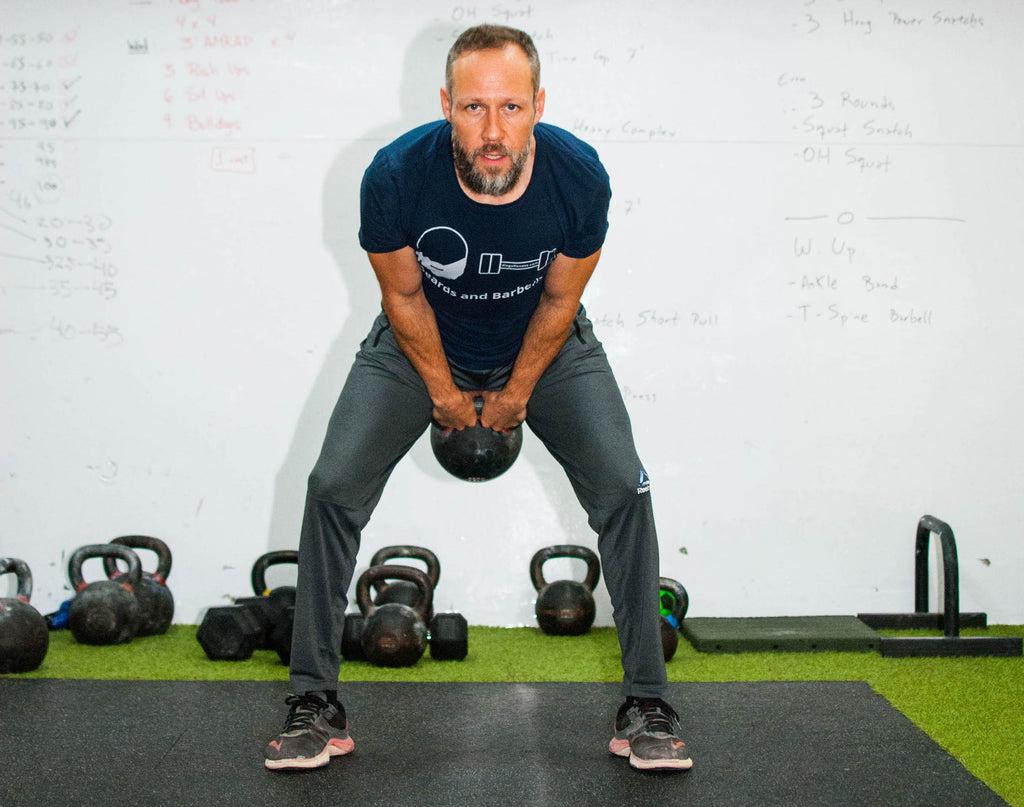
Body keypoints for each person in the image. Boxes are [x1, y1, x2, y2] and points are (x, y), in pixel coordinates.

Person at [265, 23, 692, 773]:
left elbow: (561, 302)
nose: (492, 132)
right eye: (472, 109)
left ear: (538, 106)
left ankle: (647, 703)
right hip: (420, 339)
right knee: (331, 485)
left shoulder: (578, 178)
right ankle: (313, 702)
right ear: (445, 105)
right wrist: (444, 393)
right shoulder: (395, 175)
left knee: (625, 486)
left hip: (546, 344)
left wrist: (517, 392)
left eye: (511, 108)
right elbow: (402, 294)